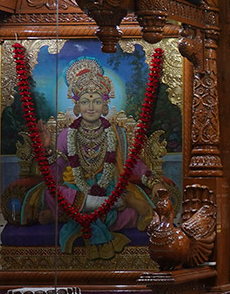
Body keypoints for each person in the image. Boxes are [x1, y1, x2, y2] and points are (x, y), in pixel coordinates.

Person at [46, 57, 155, 260]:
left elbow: (133, 163)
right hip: (78, 190)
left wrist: (152, 180)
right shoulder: (66, 135)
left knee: (130, 213)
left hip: (109, 189)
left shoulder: (117, 133)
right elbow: (56, 173)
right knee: (51, 194)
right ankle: (99, 205)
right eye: (85, 102)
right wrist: (47, 153)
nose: (90, 107)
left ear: (104, 105)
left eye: (96, 101)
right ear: (77, 106)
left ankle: (95, 208)